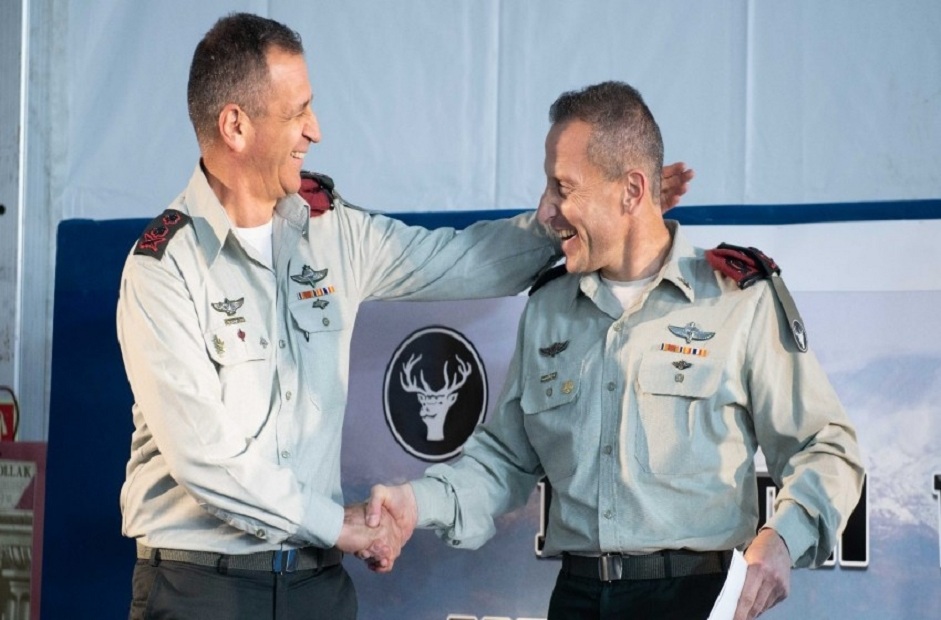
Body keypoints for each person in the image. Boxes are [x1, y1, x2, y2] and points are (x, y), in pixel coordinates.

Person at [116, 13, 693, 620]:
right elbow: (205, 459)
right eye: (297, 112)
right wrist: (334, 524)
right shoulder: (163, 269)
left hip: (317, 586)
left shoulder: (334, 233)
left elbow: (464, 261)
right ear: (235, 126)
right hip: (202, 587)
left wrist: (588, 215)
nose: (315, 129)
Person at [367, 81, 865, 620]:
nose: (546, 210)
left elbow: (825, 446)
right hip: (578, 598)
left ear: (631, 191)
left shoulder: (738, 299)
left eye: (563, 187)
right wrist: (417, 503)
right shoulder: (549, 307)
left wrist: (784, 539)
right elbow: (506, 460)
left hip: (695, 599)